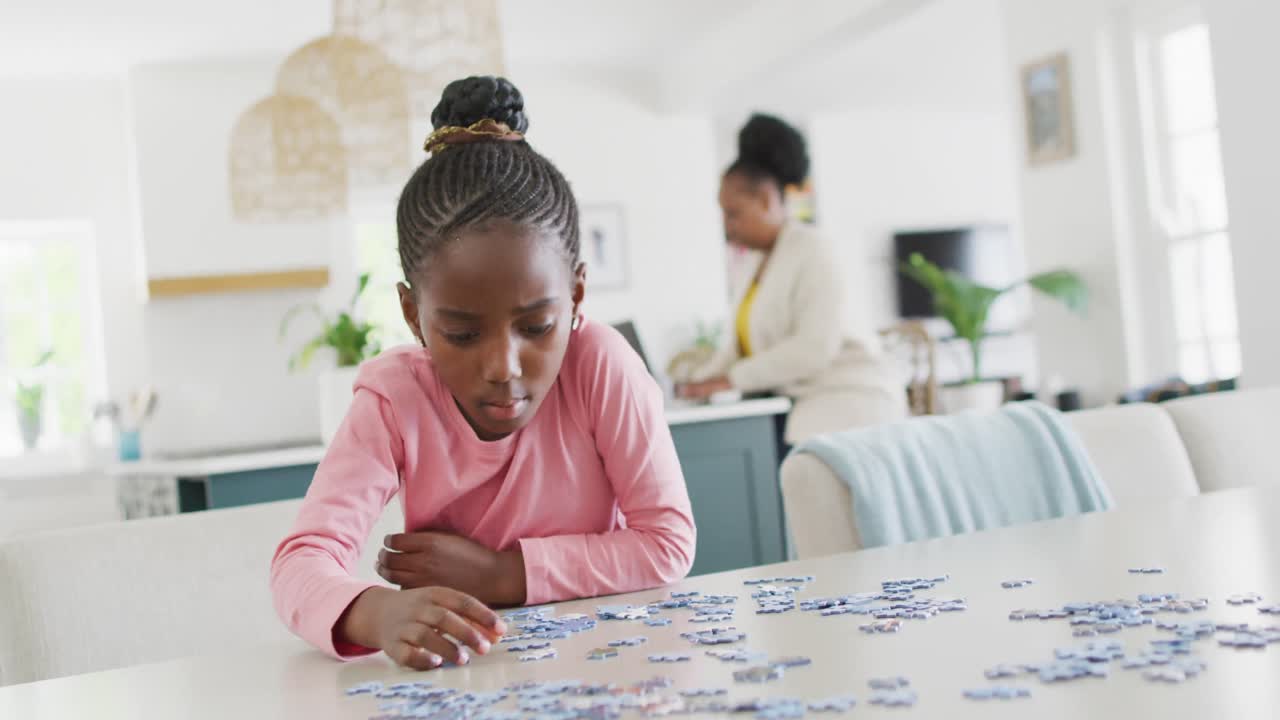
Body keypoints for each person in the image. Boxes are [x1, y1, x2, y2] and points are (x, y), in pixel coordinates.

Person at [270, 76, 696, 671]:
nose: (503, 367)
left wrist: (501, 573)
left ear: (576, 294)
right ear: (413, 314)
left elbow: (667, 543)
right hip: (462, 684)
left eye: (537, 327)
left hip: (612, 668)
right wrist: (377, 613)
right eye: (464, 335)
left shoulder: (602, 365)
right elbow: (301, 560)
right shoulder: (394, 398)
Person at [679, 114, 905, 444]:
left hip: (852, 406)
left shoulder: (814, 250)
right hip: (803, 409)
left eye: (734, 213)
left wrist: (731, 380)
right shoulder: (754, 264)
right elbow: (737, 348)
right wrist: (698, 380)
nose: (728, 227)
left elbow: (813, 349)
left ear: (767, 200)